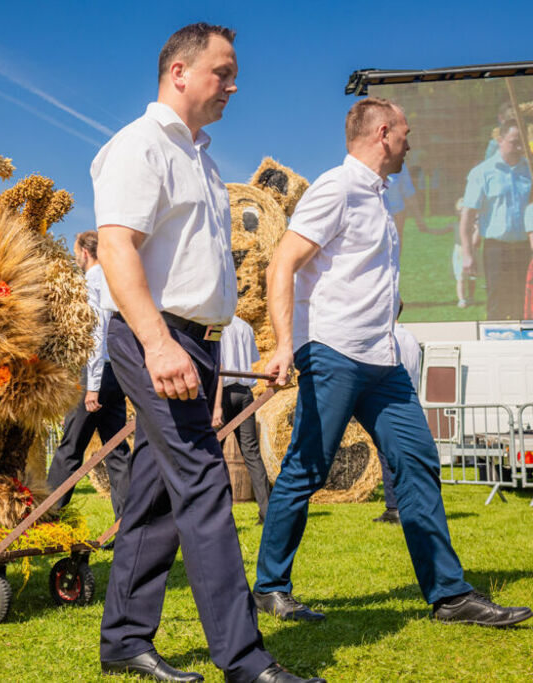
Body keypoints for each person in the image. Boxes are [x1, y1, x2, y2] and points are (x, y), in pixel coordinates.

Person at [94, 24, 317, 683]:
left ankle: (123, 640)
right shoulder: (140, 147)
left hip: (193, 339)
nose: (233, 84)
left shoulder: (203, 159)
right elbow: (115, 249)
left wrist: (203, 344)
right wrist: (160, 342)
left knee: (158, 495)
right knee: (203, 482)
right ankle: (246, 661)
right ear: (180, 72)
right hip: (151, 332)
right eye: (223, 72)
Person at [255, 96, 531, 628]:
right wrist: (286, 344)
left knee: (419, 460)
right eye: (406, 131)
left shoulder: (378, 198)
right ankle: (270, 587)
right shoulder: (336, 187)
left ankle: (450, 596)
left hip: (382, 362)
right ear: (383, 133)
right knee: (307, 468)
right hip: (333, 352)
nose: (411, 141)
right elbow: (283, 262)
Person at [45, 230, 131, 522]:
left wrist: (92, 386)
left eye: (75, 252)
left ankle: (48, 513)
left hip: (96, 373)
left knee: (70, 447)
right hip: (117, 371)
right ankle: (128, 523)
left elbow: (94, 336)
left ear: (83, 252)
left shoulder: (91, 283)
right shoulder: (116, 281)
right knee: (116, 450)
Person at [459, 119, 533, 320]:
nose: (519, 147)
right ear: (500, 140)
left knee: (523, 304)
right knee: (497, 304)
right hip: (496, 250)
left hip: (524, 248)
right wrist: (467, 253)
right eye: (513, 141)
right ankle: (496, 348)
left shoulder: (530, 170)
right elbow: (467, 216)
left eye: (522, 142)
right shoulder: (483, 173)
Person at [212, 314, 270, 524]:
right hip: (245, 393)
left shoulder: (216, 324)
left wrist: (216, 406)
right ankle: (266, 511)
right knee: (252, 453)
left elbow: (218, 368)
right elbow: (253, 360)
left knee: (214, 453)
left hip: (223, 394)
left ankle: (217, 510)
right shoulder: (245, 327)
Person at [373, 301, 421, 525]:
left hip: (391, 401)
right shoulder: (410, 338)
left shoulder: (389, 337)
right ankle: (411, 504)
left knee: (388, 456)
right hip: (411, 399)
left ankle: (394, 507)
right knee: (407, 456)